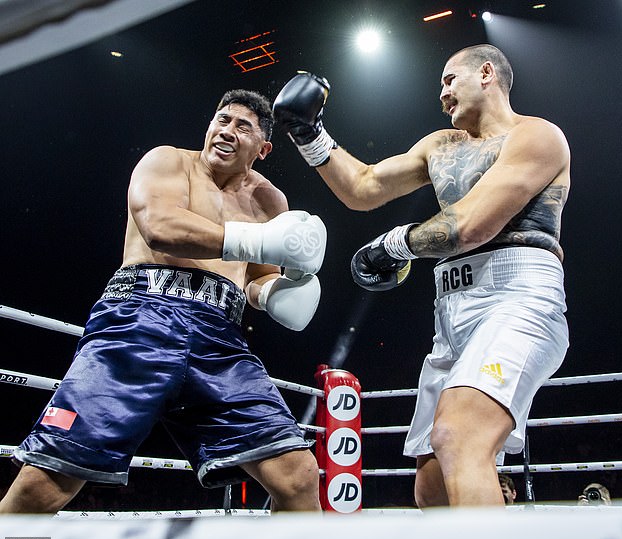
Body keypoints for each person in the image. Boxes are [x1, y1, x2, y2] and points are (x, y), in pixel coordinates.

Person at [0, 89, 326, 514]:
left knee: (298, 477)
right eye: (222, 120)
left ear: (262, 148)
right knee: (46, 482)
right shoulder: (168, 161)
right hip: (139, 319)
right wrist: (260, 239)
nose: (227, 131)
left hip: (220, 341)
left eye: (242, 127)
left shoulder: (270, 201)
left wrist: (282, 294)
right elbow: (160, 226)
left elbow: (257, 278)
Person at [273, 44, 570, 507]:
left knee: (461, 433)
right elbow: (363, 187)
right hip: (450, 310)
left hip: (516, 296)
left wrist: (394, 244)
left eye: (450, 80)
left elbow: (471, 226)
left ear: (487, 73)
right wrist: (309, 134)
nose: (443, 94)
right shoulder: (439, 146)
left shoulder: (536, 137)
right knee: (431, 482)